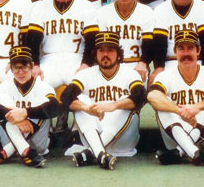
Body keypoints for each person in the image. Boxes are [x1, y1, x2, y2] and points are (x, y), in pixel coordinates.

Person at [62, 32, 146, 170]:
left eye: (110, 50)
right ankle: (100, 154)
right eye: (101, 50)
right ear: (95, 55)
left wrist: (113, 105)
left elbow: (140, 97)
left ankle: (91, 152)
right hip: (93, 136)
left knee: (124, 101)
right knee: (82, 100)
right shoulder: (85, 74)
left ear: (118, 54)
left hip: (123, 141)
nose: (105, 54)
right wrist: (86, 109)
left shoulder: (130, 73)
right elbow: (66, 97)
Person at [147, 30, 204, 167]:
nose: (186, 53)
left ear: (198, 51)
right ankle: (196, 154)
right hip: (177, 133)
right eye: (181, 48)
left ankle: (179, 152)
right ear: (175, 52)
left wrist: (197, 107)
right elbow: (152, 96)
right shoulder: (165, 75)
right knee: (163, 105)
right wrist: (180, 111)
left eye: (190, 48)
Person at [27, 0, 98, 95]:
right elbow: (32, 41)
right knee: (35, 87)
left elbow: (92, 41)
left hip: (76, 59)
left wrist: (86, 64)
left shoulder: (86, 6)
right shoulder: (40, 7)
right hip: (49, 60)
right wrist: (35, 65)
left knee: (87, 87)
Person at [0, 45, 61, 168]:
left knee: (41, 100)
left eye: (24, 66)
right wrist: (17, 118)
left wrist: (26, 113)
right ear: (11, 68)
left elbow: (55, 107)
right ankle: (26, 152)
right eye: (16, 67)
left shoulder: (43, 86)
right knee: (3, 100)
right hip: (10, 139)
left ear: (32, 65)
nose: (20, 72)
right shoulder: (3, 87)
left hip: (37, 144)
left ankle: (5, 152)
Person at [96, 0, 154, 82]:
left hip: (137, 66)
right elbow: (102, 47)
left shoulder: (146, 11)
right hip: (112, 65)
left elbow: (149, 44)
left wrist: (143, 63)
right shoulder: (102, 12)